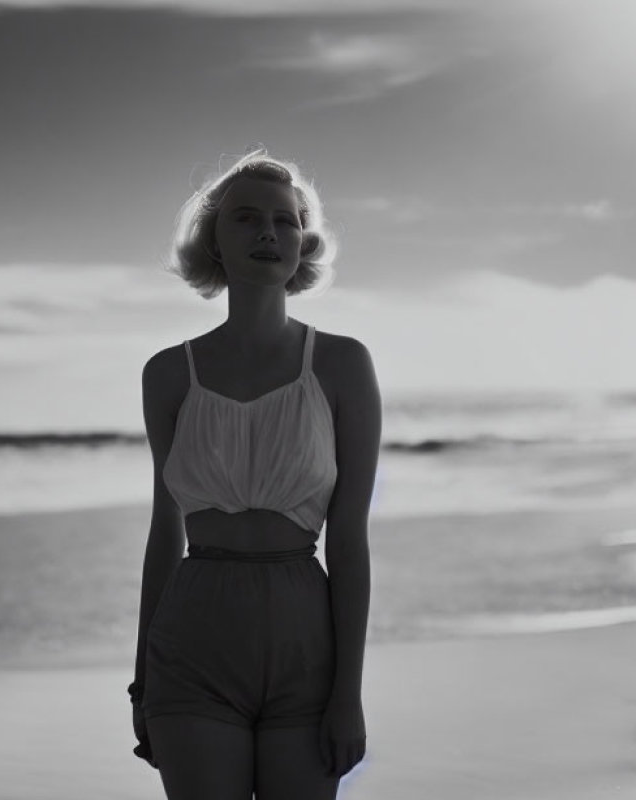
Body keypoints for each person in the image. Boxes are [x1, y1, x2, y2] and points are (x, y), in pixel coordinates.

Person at [129, 149, 381, 800]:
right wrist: (142, 678)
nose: (269, 233)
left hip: (306, 642)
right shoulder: (167, 374)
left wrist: (348, 693)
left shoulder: (342, 365)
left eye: (286, 221)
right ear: (213, 238)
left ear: (304, 241)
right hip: (192, 645)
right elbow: (166, 531)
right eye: (245, 218)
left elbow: (349, 539)